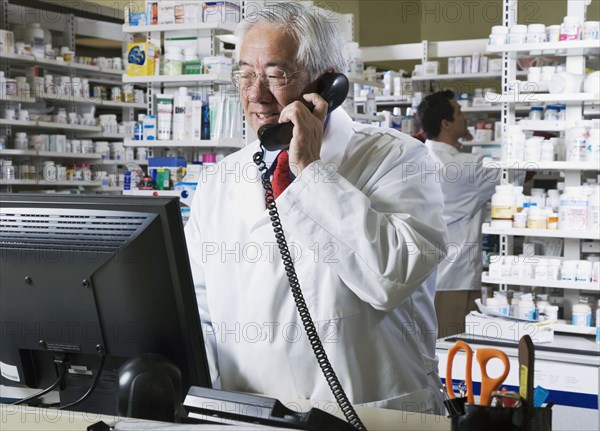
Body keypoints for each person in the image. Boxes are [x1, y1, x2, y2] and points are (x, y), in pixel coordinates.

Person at [185, 4, 447, 414]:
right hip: (248, 413)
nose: (255, 94)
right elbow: (196, 308)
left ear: (327, 85)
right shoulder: (219, 181)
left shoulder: (398, 159)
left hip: (368, 413)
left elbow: (391, 278)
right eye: (246, 75)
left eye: (275, 75)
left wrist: (308, 170)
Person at [417, 90, 499, 338]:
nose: (465, 118)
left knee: (429, 350)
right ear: (446, 124)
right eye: (460, 113)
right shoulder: (469, 166)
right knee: (455, 354)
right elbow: (517, 172)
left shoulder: (416, 156)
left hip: (419, 277)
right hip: (455, 278)